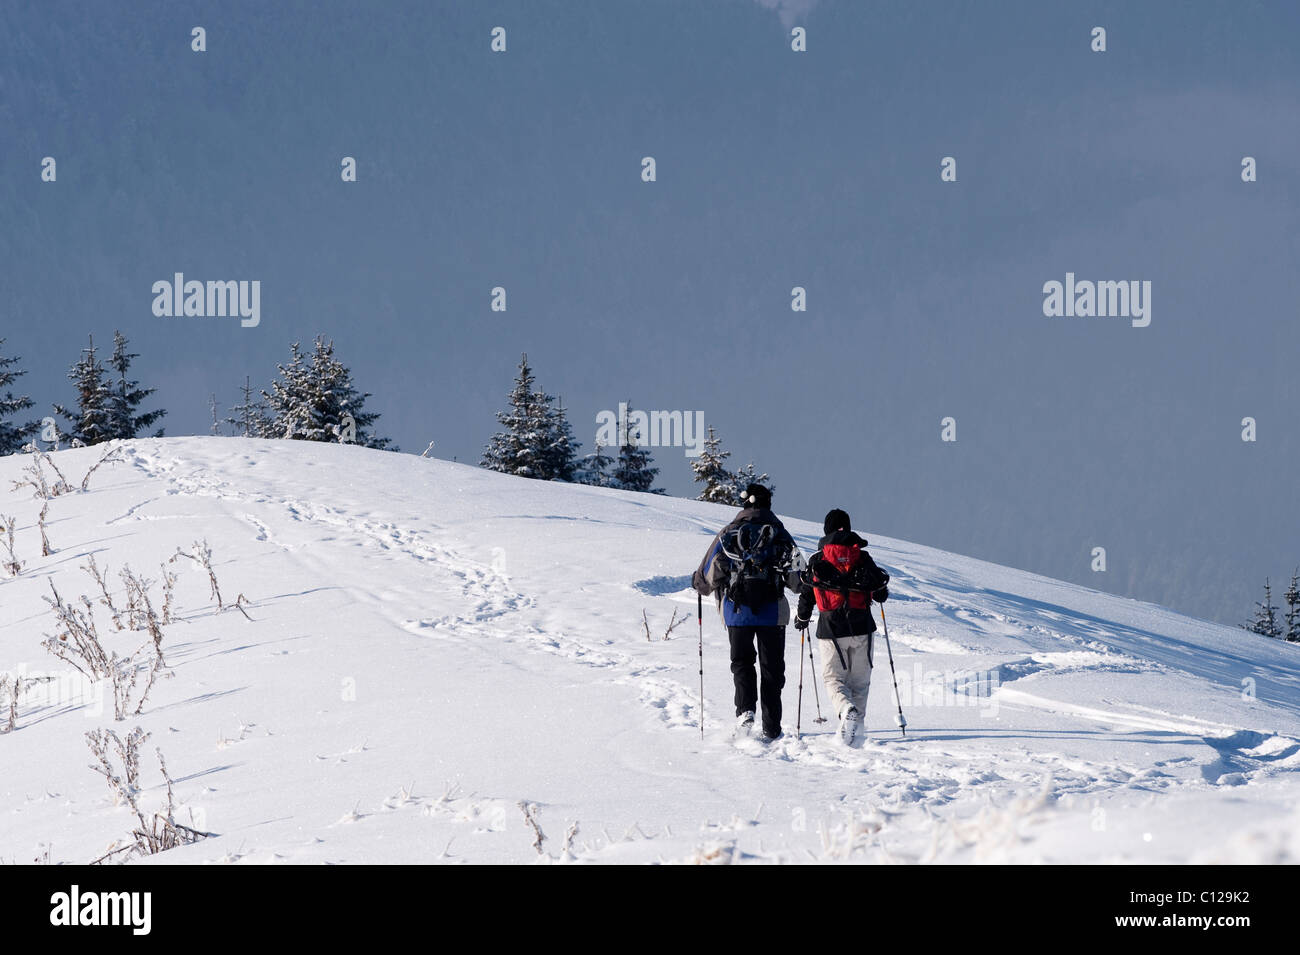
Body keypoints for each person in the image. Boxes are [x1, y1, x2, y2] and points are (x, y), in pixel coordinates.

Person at [692, 483, 802, 741]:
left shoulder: (729, 532)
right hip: (772, 613)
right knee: (772, 669)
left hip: (736, 612)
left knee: (742, 664)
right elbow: (798, 580)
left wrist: (699, 583)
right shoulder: (781, 535)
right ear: (768, 504)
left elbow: (706, 576)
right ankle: (772, 727)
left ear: (744, 504)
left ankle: (745, 712)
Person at [794, 509, 889, 745]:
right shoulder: (862, 557)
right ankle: (856, 731)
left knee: (834, 678)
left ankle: (846, 710)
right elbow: (881, 593)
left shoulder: (818, 559)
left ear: (826, 529)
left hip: (831, 629)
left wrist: (802, 618)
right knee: (860, 681)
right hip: (862, 626)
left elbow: (807, 592)